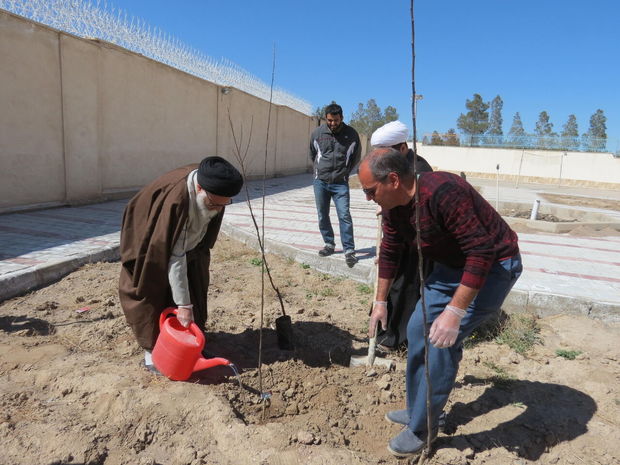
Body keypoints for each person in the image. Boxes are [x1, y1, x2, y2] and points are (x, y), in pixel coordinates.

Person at [358, 148, 522, 458]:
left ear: (393, 179)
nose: (368, 198)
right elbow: (391, 250)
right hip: (451, 268)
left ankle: (424, 428)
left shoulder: (444, 193)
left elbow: (481, 252)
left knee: (441, 341)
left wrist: (454, 312)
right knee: (418, 329)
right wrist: (380, 301)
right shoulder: (394, 205)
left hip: (494, 266)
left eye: (370, 190)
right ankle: (418, 409)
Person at [119, 156, 243, 370]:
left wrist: (186, 304)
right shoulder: (176, 203)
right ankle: (153, 351)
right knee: (152, 285)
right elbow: (174, 257)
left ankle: (191, 340)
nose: (216, 210)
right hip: (150, 237)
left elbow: (193, 241)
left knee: (195, 279)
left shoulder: (213, 185)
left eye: (223, 205)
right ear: (200, 189)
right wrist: (183, 306)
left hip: (185, 242)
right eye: (213, 204)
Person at [369, 121, 433, 350]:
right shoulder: (396, 166)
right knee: (391, 285)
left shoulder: (419, 170)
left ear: (403, 148)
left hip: (413, 242)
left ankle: (394, 339)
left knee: (404, 288)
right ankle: (382, 332)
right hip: (399, 236)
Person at [309, 103, 361, 267]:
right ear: (326, 118)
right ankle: (329, 244)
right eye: (329, 120)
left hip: (340, 184)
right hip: (320, 182)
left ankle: (349, 251)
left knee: (344, 215)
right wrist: (319, 170)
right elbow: (313, 154)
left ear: (342, 118)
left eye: (336, 120)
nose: (332, 123)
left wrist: (345, 173)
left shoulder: (351, 134)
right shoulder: (317, 133)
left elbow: (355, 157)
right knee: (322, 214)